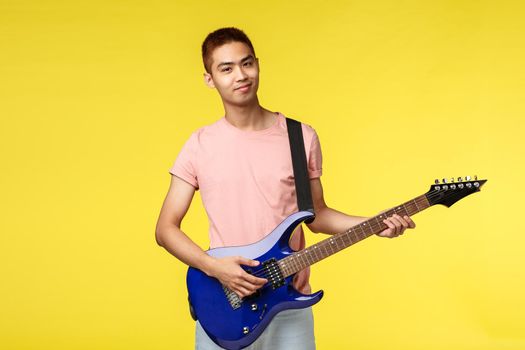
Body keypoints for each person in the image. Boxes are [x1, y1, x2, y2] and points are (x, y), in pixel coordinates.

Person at [155, 27, 416, 350]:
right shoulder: (199, 145)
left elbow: (316, 215)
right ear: (210, 79)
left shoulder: (299, 137)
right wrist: (215, 268)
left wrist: (374, 224)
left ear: (258, 65)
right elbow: (165, 229)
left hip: (288, 302)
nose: (241, 75)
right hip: (225, 303)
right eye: (226, 68)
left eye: (247, 63)